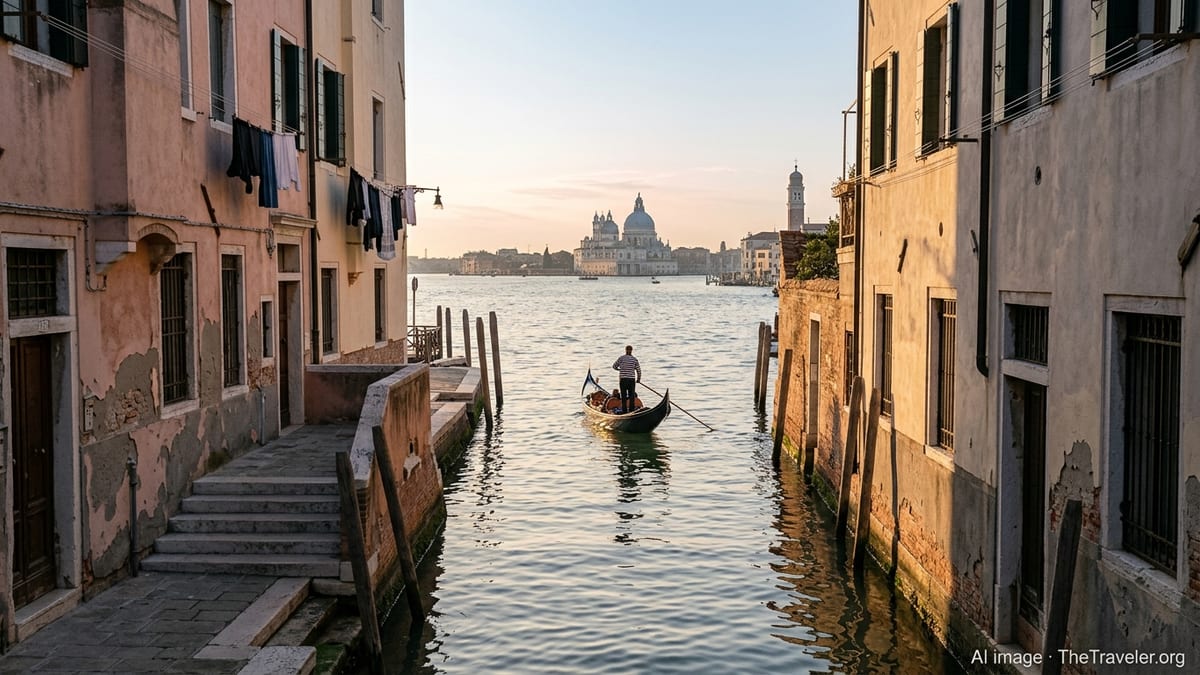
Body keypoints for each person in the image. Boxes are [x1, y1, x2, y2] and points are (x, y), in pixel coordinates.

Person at [612, 345, 642, 413]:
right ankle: (631, 411)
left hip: (623, 379)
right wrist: (638, 379)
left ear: (625, 350)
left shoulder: (621, 358)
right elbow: (639, 370)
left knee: (623, 396)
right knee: (631, 396)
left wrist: (620, 369)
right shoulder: (634, 359)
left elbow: (614, 366)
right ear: (631, 350)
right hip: (631, 380)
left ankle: (624, 411)